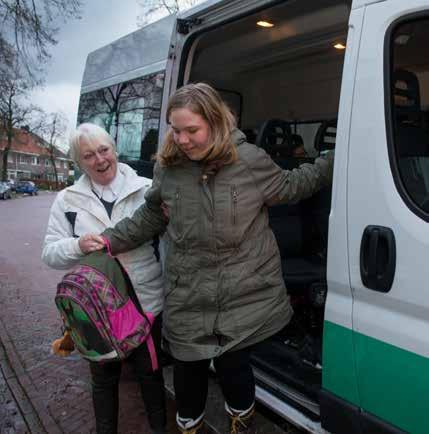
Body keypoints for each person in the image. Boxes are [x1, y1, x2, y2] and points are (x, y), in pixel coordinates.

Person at [85, 83, 334, 434]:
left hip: (240, 293)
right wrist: (108, 240)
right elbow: (151, 217)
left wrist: (332, 160)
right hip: (188, 292)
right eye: (175, 129)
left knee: (235, 367)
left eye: (192, 130)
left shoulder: (248, 161)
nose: (182, 139)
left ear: (215, 123)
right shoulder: (168, 168)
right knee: (188, 375)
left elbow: (292, 185)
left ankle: (240, 425)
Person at [41, 123, 166, 434]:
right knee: (103, 380)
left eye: (103, 150)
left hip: (144, 301)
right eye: (88, 156)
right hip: (97, 309)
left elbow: (168, 243)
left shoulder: (148, 187)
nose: (99, 160)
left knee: (150, 375)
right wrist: (77, 244)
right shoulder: (67, 200)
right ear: (79, 162)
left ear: (114, 149)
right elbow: (49, 253)